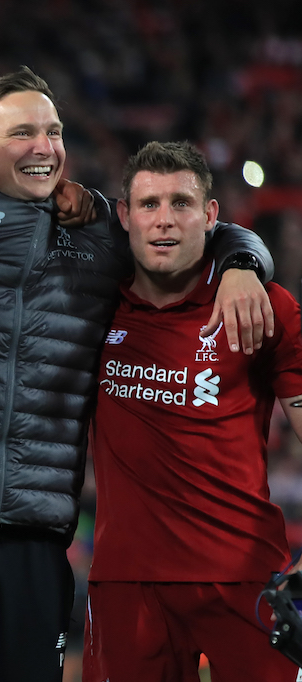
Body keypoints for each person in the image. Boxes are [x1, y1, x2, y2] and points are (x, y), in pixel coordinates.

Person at [0, 67, 276, 682]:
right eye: (22, 133)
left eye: (53, 132)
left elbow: (204, 232)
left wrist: (241, 264)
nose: (45, 147)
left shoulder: (101, 233)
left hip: (35, 533)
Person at [82, 141, 302, 681]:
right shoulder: (91, 306)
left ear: (210, 215)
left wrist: (243, 266)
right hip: (126, 584)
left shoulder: (261, 306)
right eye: (149, 204)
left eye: (181, 203)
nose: (164, 220)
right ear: (124, 216)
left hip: (245, 579)